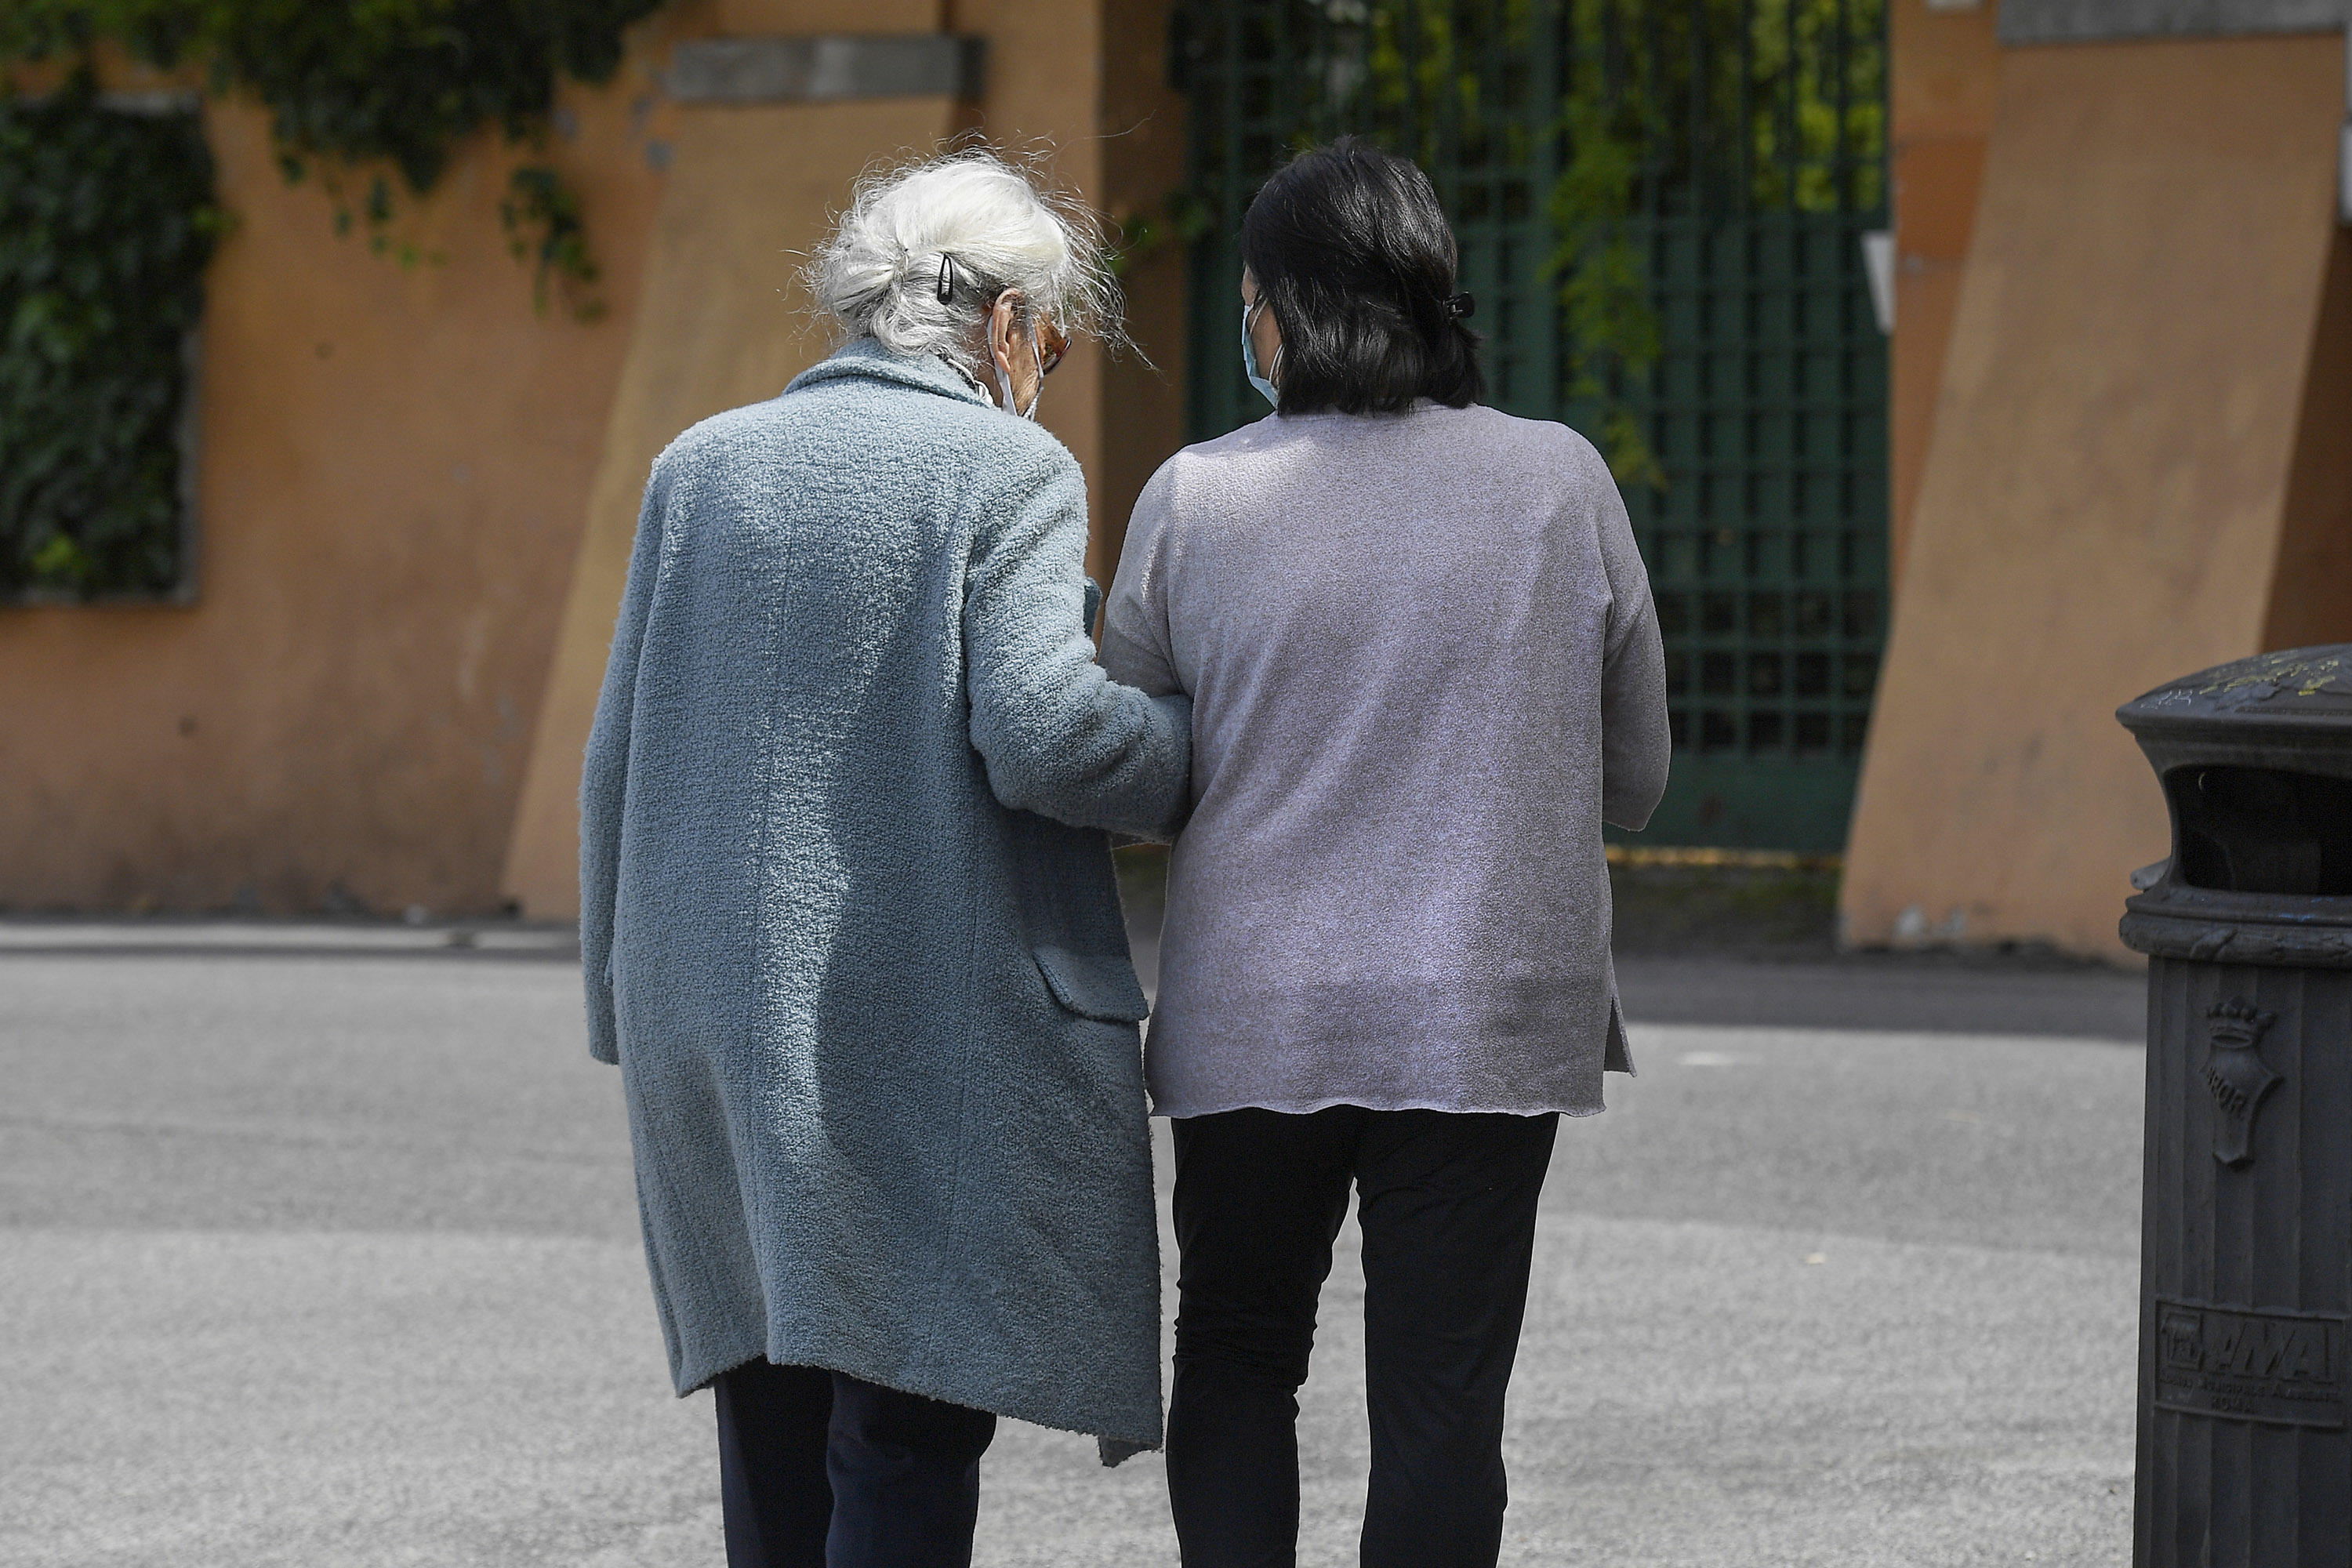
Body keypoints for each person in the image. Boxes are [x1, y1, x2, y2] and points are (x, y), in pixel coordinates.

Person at [577, 150, 1190, 1568]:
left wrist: (621, 1002)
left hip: (702, 1016)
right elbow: (1046, 738)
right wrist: (1186, 744)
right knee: (909, 1416)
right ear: (1013, 324)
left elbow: (616, 751)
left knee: (771, 1414)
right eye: (1059, 335)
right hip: (903, 1011)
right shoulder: (1007, 467)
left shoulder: (700, 465)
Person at [1100, 136, 1672, 1568]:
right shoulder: (1557, 482)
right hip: (1484, 1018)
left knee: (1236, 1353)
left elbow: (1128, 778)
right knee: (1443, 1405)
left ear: (1279, 310)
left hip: (1252, 1020)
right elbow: (1642, 780)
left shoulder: (1194, 500)